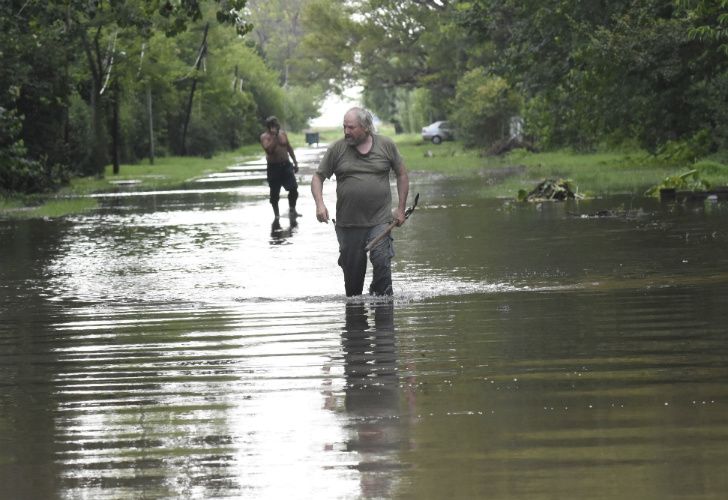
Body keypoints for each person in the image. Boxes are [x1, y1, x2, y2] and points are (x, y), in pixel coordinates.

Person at [311, 107, 410, 297]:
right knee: (353, 288)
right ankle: (355, 322)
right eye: (344, 127)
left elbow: (402, 174)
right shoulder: (337, 149)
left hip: (380, 221)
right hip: (348, 225)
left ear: (366, 127)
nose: (346, 131)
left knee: (382, 262)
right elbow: (317, 177)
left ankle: (383, 315)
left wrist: (401, 208)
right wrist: (320, 204)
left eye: (351, 127)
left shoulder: (386, 145)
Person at [260, 116, 299, 218]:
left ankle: (292, 210)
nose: (274, 127)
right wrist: (274, 137)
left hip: (286, 165)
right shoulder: (265, 137)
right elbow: (269, 150)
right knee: (274, 192)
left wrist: (295, 162)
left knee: (293, 188)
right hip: (273, 168)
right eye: (272, 125)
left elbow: (289, 148)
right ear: (268, 127)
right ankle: (276, 215)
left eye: (276, 124)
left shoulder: (283, 134)